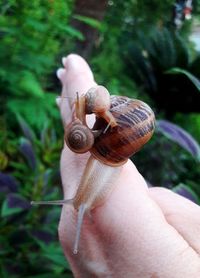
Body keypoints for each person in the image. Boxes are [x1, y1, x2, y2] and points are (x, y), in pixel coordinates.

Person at [56, 54, 200, 277]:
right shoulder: (102, 113)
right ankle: (84, 201)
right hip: (108, 138)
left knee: (84, 200)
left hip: (113, 141)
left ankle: (84, 200)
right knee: (83, 201)